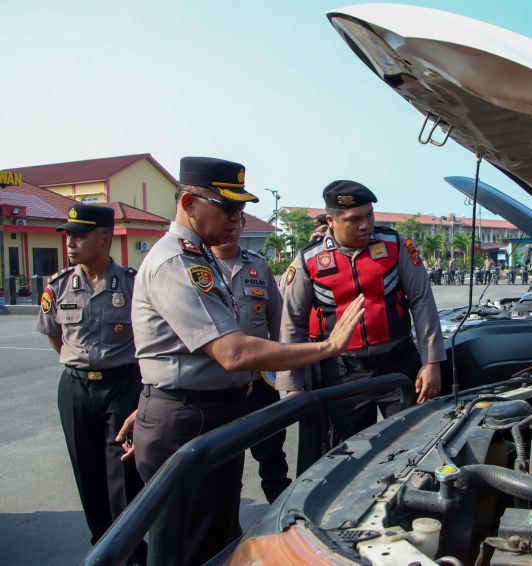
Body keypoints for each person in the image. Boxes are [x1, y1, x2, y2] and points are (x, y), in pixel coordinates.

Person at [117, 157, 364, 565]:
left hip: (207, 409)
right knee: (193, 545)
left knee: (214, 534)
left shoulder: (203, 256)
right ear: (190, 202)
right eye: (227, 207)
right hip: (187, 416)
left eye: (241, 208)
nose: (238, 218)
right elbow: (233, 352)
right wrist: (326, 348)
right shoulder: (177, 262)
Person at [279, 180, 445, 446]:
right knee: (348, 454)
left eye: (369, 215)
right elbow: (292, 324)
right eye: (354, 219)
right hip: (343, 374)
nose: (365, 224)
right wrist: (293, 386)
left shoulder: (396, 246)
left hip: (400, 368)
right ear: (331, 221)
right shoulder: (308, 261)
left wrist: (432, 362)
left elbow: (422, 302)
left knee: (415, 444)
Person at [36, 204, 146, 563]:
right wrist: (81, 363)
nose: (71, 242)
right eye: (69, 235)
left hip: (123, 387)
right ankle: (102, 547)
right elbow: (56, 337)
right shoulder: (58, 286)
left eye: (79, 235)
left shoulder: (132, 285)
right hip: (76, 389)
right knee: (88, 473)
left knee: (125, 476)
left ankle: (131, 551)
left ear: (104, 238)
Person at [210, 213, 289, 504]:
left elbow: (279, 323)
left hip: (260, 383)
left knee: (272, 458)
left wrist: (287, 375)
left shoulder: (258, 265)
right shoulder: (197, 266)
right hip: (219, 385)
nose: (231, 228)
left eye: (237, 221)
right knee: (224, 467)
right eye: (225, 219)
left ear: (243, 225)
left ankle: (281, 518)